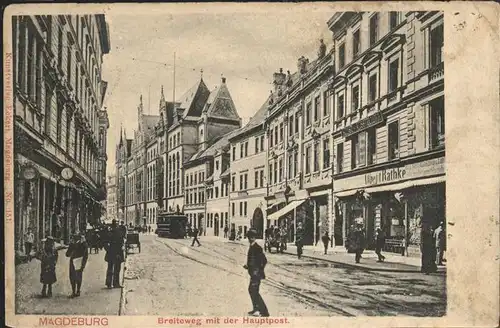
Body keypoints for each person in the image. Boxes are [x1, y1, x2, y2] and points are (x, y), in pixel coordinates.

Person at [243, 228, 269, 317]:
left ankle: (264, 312)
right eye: (249, 237)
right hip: (253, 273)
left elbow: (264, 260)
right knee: (252, 290)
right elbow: (253, 261)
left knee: (253, 290)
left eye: (251, 237)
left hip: (256, 274)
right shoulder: (252, 247)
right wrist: (248, 266)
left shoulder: (257, 248)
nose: (249, 239)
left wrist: (258, 270)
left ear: (254, 238)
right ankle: (256, 309)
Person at [66, 232, 89, 297]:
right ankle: (77, 291)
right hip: (77, 262)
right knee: (77, 276)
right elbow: (67, 254)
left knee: (74, 277)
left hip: (75, 262)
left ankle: (74, 291)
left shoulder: (81, 244)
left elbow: (67, 254)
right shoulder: (83, 245)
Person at [104, 220, 125, 288]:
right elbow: (120, 243)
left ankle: (109, 283)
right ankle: (116, 283)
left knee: (110, 268)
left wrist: (108, 250)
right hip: (117, 253)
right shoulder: (118, 232)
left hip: (111, 253)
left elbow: (105, 243)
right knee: (117, 268)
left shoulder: (109, 232)